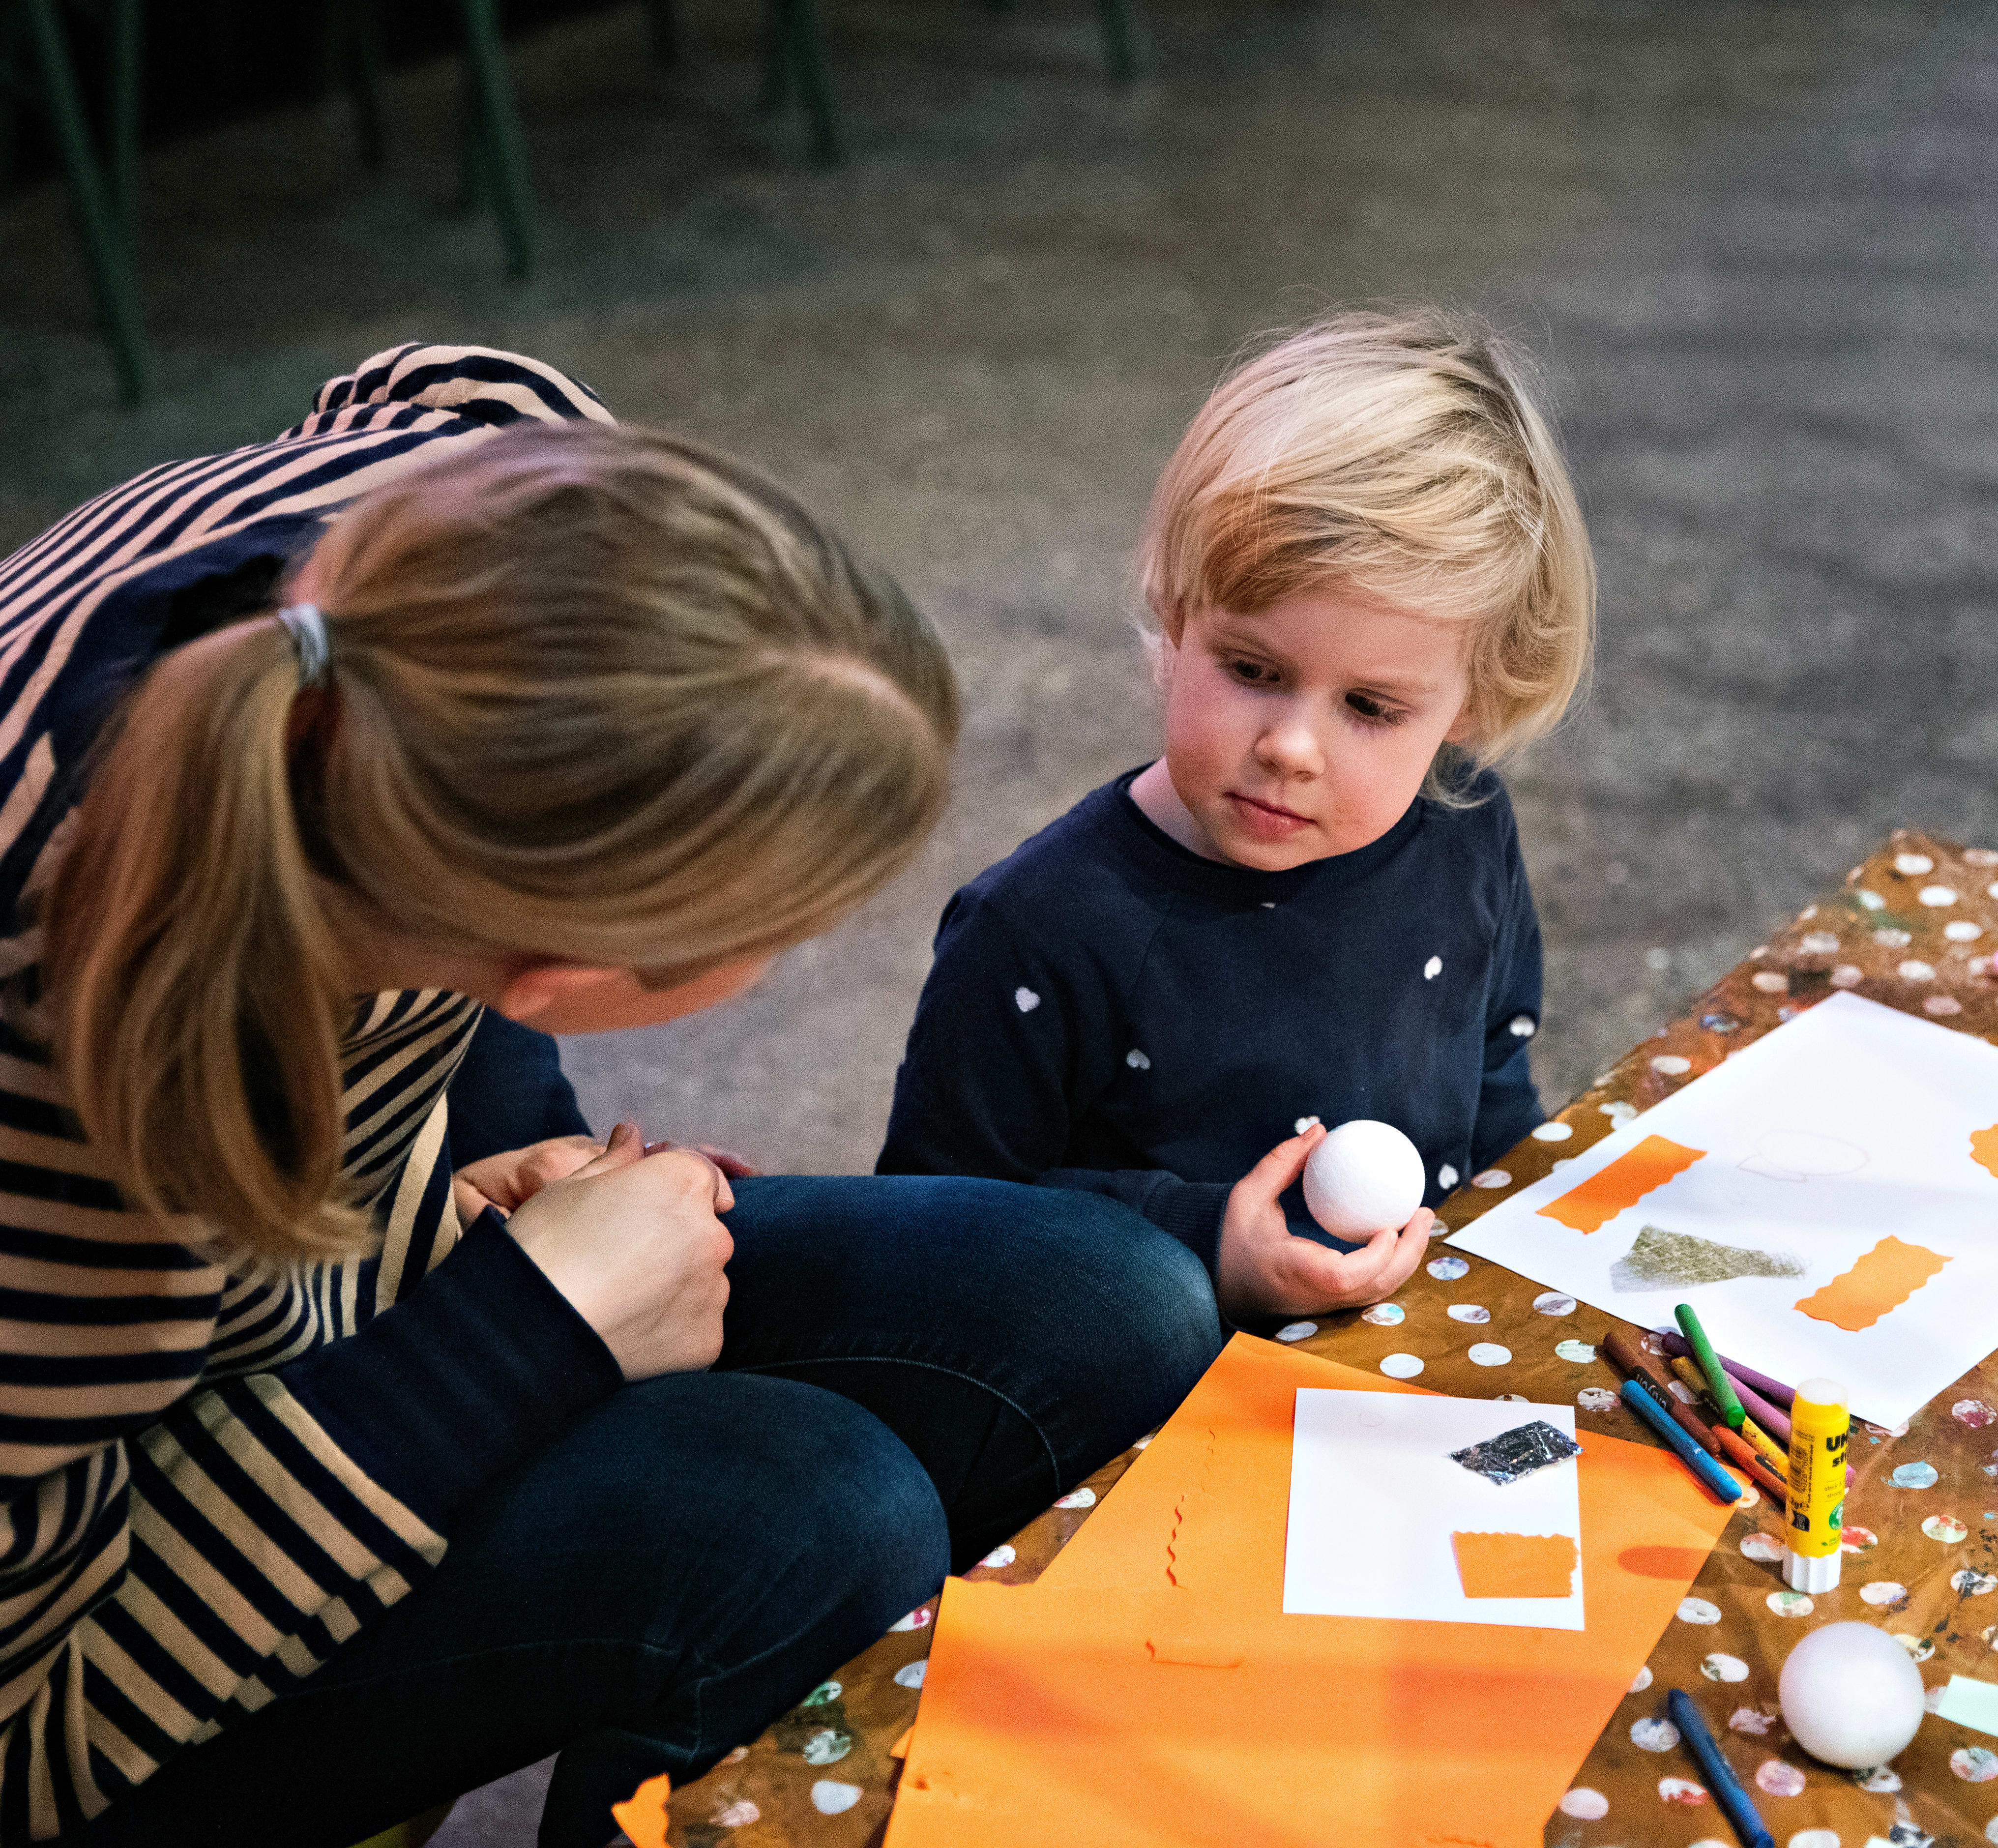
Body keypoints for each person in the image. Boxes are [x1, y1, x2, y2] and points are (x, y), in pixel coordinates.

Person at [0, 346, 1221, 1846]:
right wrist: (518, 1337)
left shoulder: (478, 476)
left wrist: (512, 1139)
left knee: (1112, 1308)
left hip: (304, 1306)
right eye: (783, 933)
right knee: (811, 1518)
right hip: (105, 1639)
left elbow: (435, 376)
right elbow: (36, 1745)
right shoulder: (66, 1145)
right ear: (561, 975)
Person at [877, 308, 1596, 1325]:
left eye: (1369, 706)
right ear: (1178, 617)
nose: (1291, 747)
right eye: (1253, 670)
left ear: (1469, 706)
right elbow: (923, 1230)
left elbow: (1492, 1075)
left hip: (1410, 1354)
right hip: (1155, 1394)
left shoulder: (1464, 828)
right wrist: (1208, 1244)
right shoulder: (1038, 930)